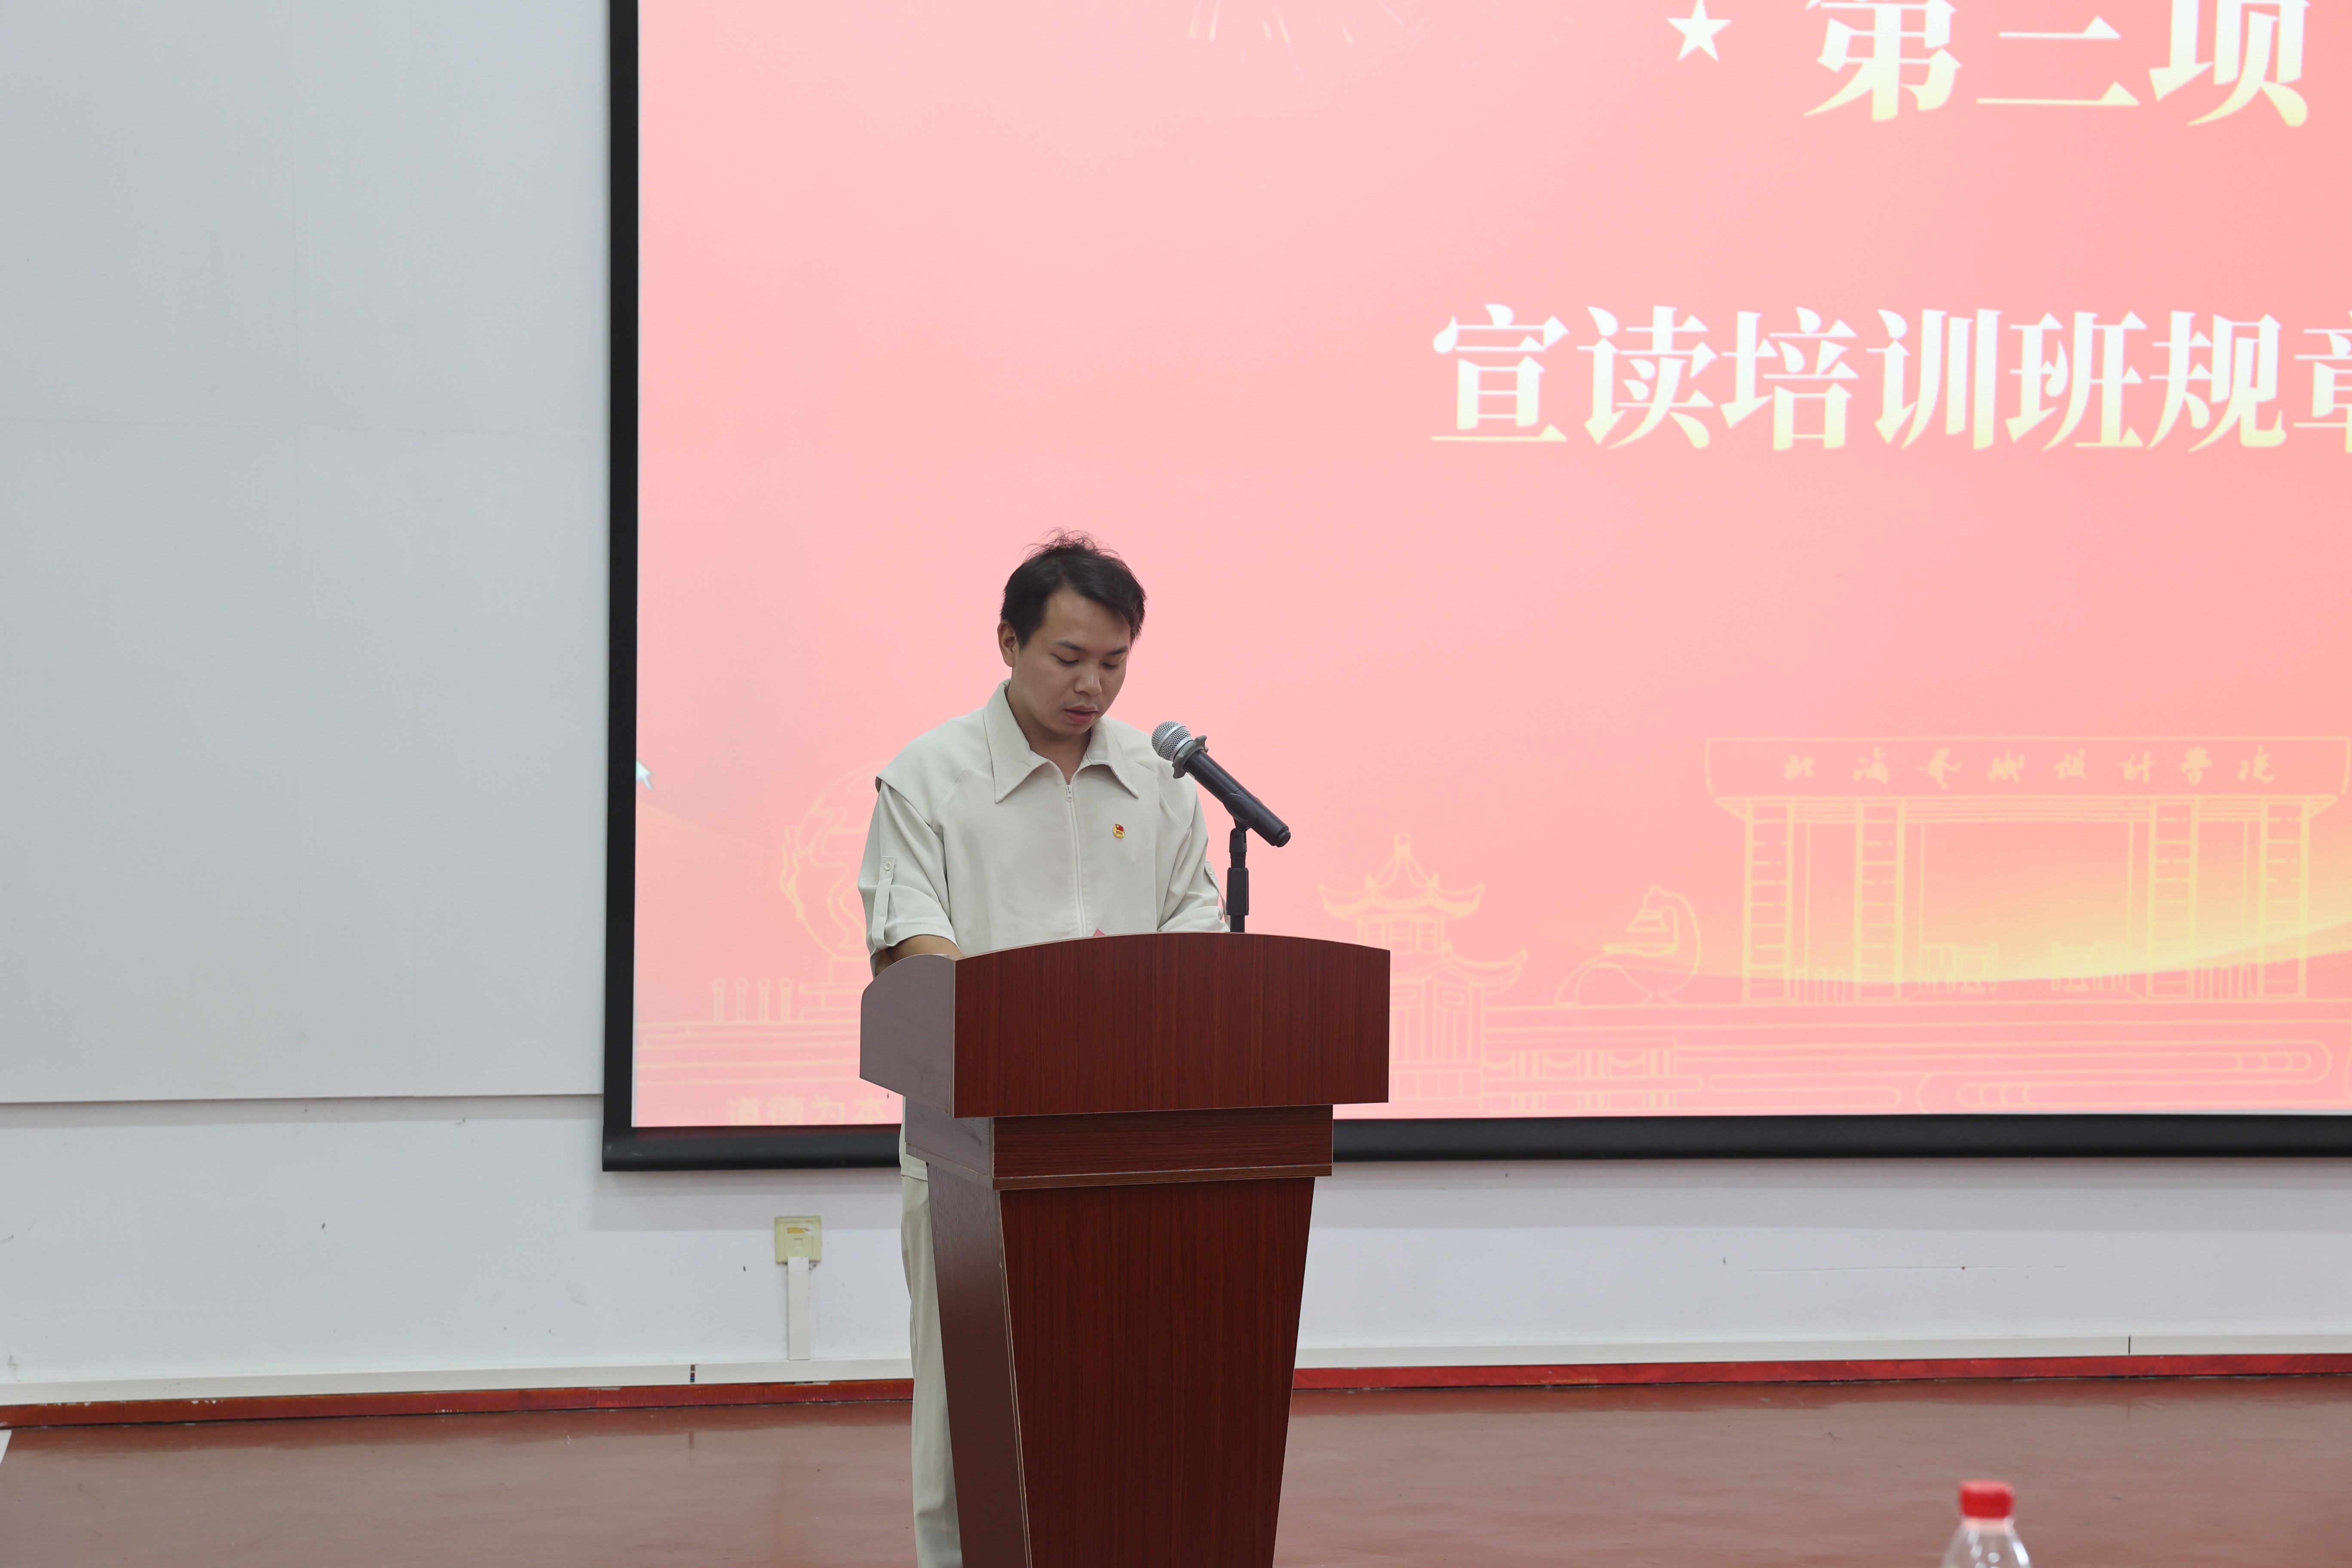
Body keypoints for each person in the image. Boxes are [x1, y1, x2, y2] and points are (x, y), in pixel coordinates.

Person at [857, 533, 1226, 1568]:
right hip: (972, 1140)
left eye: (1114, 662)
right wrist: (1025, 1030)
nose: (1091, 685)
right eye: (1069, 658)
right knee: (967, 1408)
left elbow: (1196, 925)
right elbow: (912, 937)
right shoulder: (930, 777)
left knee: (1128, 1398)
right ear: (1009, 642)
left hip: (1132, 1143)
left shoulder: (1160, 779)